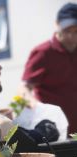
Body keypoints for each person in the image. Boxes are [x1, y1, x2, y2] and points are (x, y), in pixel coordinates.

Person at [21, 2, 77, 135]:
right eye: (67, 30)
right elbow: (23, 90)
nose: (71, 36)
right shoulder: (43, 52)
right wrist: (31, 107)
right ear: (57, 25)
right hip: (54, 135)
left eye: (76, 31)